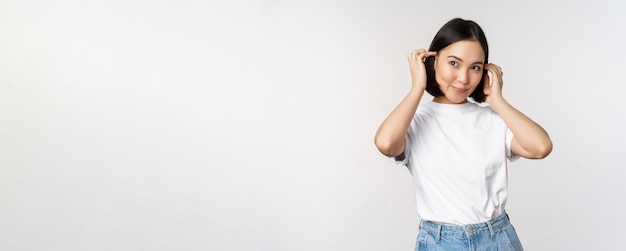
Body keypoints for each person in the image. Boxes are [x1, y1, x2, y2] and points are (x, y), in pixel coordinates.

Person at [374, 18, 552, 250]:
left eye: (475, 67)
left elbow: (541, 147)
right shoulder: (415, 121)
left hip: (496, 239)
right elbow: (386, 143)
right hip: (440, 242)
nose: (464, 78)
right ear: (434, 60)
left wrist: (497, 100)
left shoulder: (493, 119)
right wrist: (417, 87)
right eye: (454, 63)